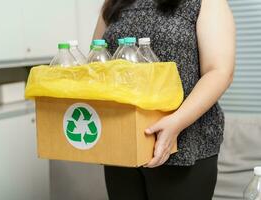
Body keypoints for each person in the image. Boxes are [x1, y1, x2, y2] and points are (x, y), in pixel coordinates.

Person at [93, 0, 235, 199]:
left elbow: (219, 71)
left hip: (186, 141)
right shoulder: (114, 2)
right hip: (121, 140)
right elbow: (97, 60)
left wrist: (176, 122)